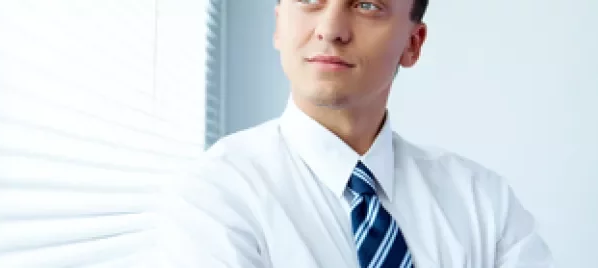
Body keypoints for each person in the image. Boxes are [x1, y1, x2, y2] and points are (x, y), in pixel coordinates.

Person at [153, 0, 554, 267]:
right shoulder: (215, 196)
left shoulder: (484, 202)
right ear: (279, 25)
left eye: (366, 4)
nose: (330, 29)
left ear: (413, 44)